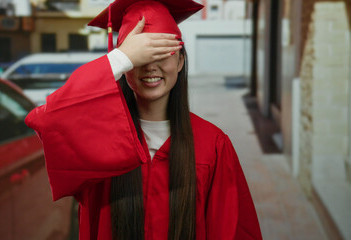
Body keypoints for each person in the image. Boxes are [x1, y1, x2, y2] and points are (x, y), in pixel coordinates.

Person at [25, 0, 262, 239]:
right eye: (139, 57)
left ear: (180, 62)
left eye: (162, 53)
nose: (150, 66)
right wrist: (119, 59)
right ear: (125, 66)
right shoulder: (98, 139)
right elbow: (49, 120)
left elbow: (234, 230)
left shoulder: (213, 145)